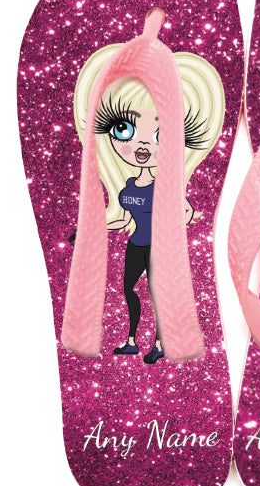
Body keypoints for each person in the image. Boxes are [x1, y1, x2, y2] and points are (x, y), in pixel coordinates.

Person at [73, 45, 225, 364]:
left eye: (162, 132)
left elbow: (186, 212)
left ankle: (159, 343)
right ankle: (131, 340)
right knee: (129, 289)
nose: (142, 142)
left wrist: (179, 219)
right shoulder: (128, 187)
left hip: (159, 247)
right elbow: (121, 218)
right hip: (136, 244)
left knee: (158, 295)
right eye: (124, 128)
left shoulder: (166, 187)